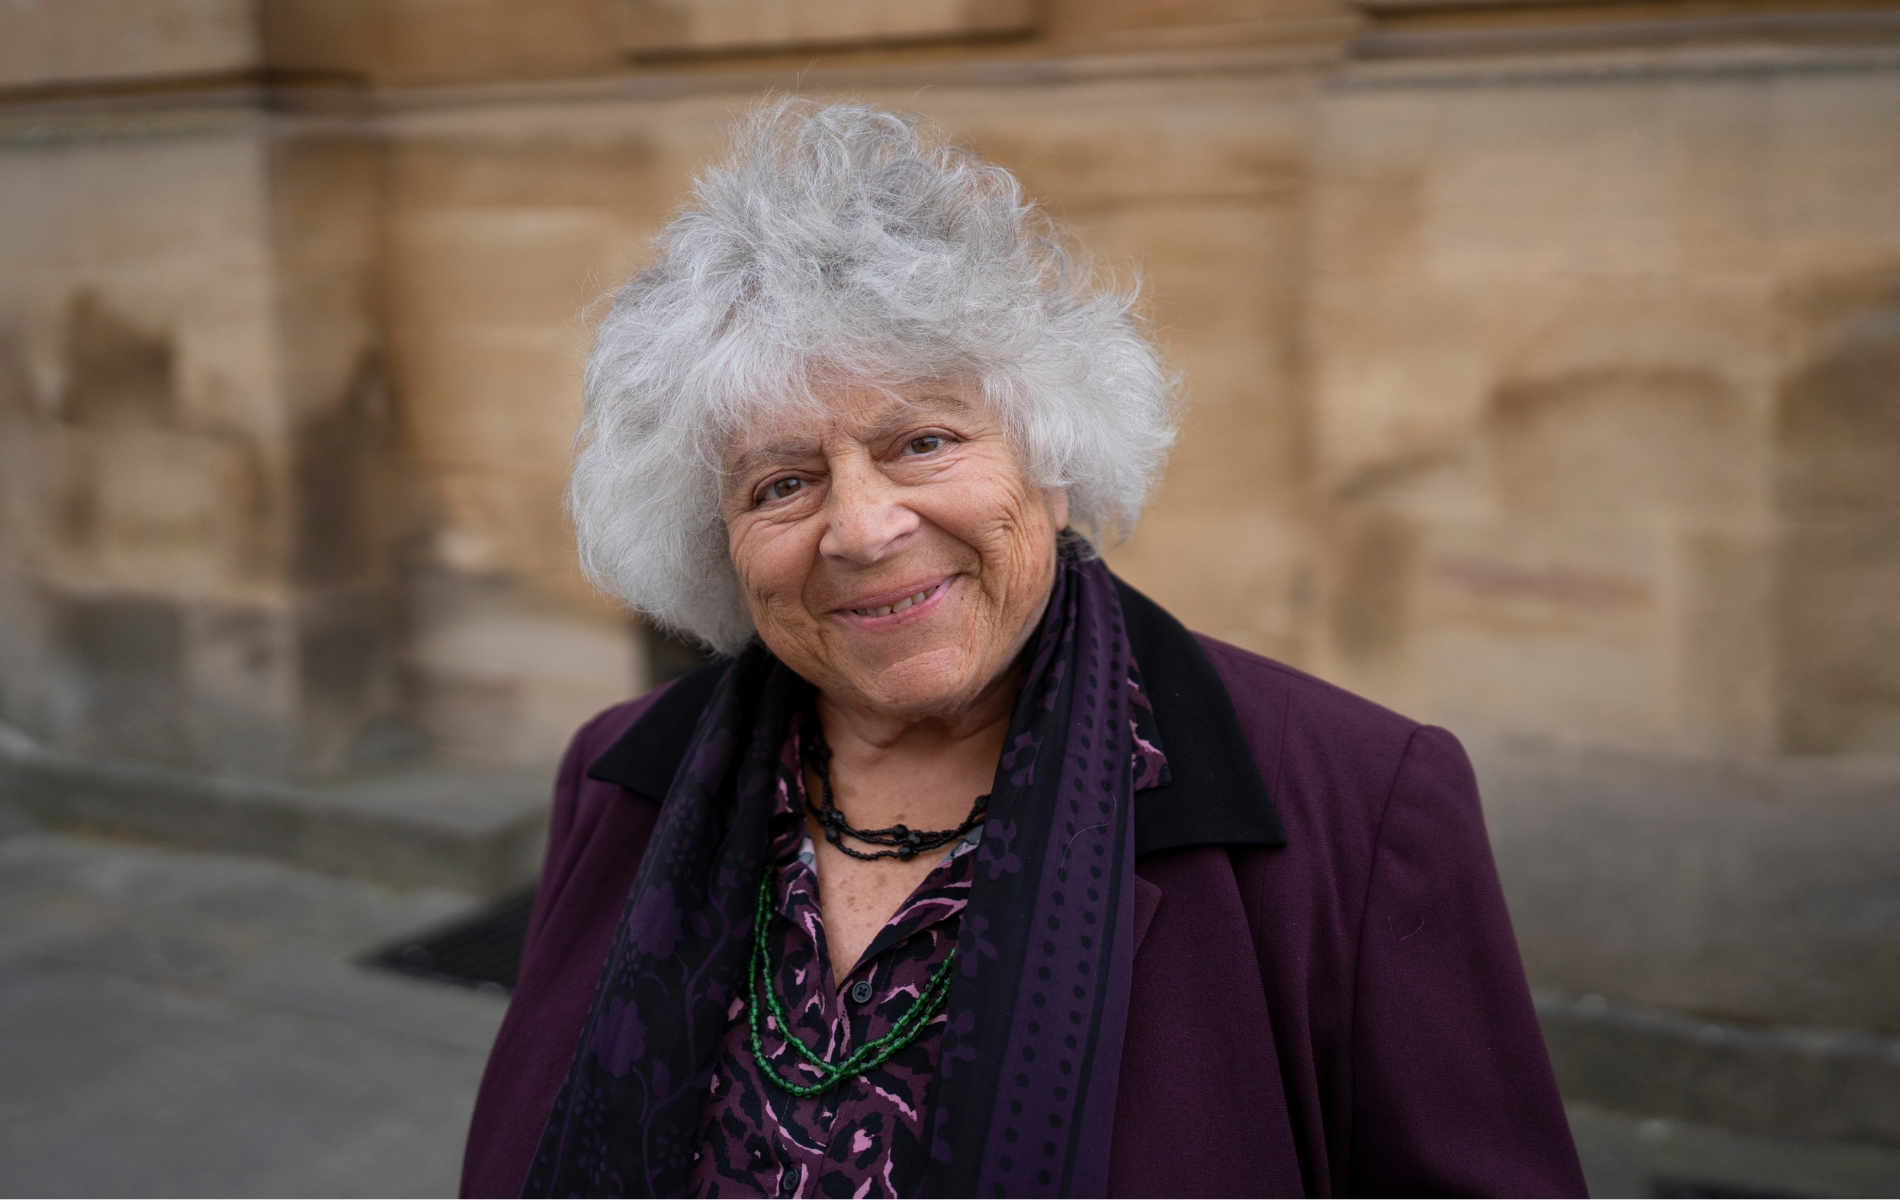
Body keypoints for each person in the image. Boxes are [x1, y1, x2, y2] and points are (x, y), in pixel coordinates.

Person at [461, 99, 1585, 1198]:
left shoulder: (1358, 802)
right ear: (719, 543)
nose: (861, 529)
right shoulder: (621, 776)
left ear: (1050, 466)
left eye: (924, 440)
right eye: (784, 482)